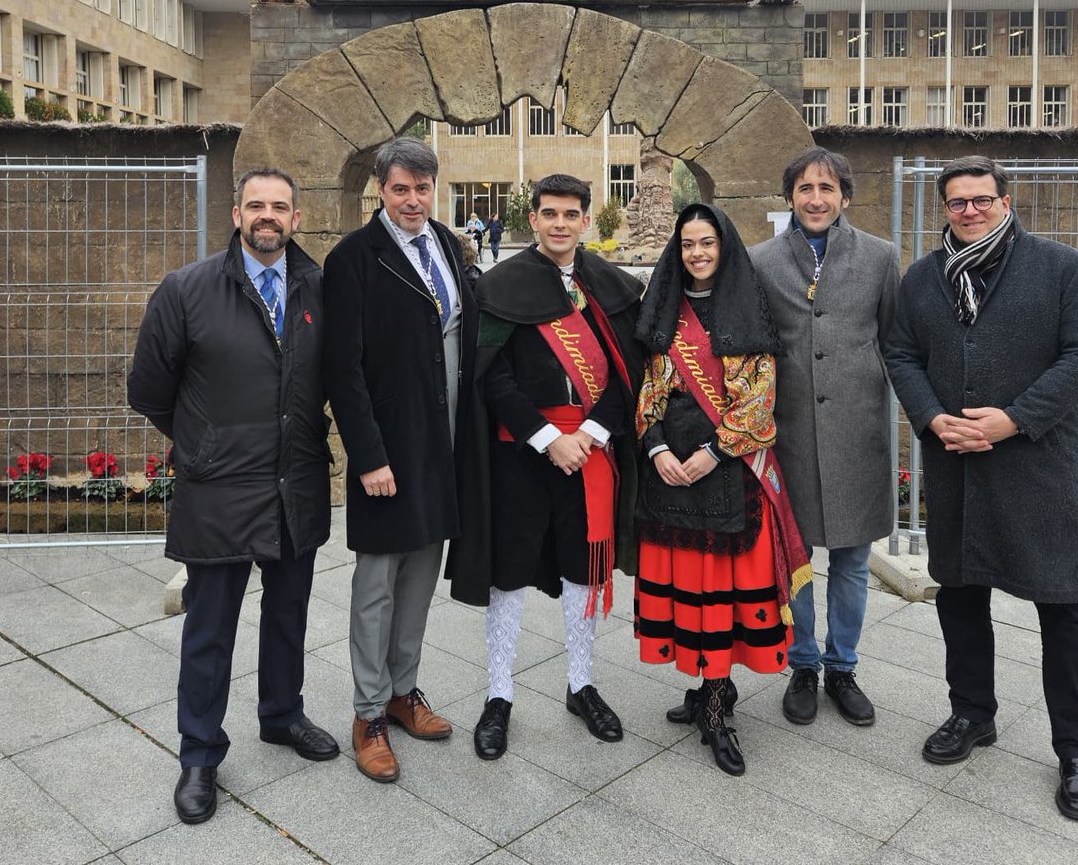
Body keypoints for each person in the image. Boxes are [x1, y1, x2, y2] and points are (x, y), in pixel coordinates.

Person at [885, 156, 1078, 822]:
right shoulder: (923, 279)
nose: (970, 211)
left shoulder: (1062, 268)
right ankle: (971, 714)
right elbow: (901, 353)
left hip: (1037, 469)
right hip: (957, 467)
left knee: (1064, 610)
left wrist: (1013, 419)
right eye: (957, 202)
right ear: (944, 209)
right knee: (959, 599)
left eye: (982, 199)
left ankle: (1077, 751)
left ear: (1006, 202)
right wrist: (931, 417)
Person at [128, 168, 337, 826]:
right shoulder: (187, 290)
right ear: (236, 214)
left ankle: (281, 714)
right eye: (256, 205)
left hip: (296, 481)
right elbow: (148, 389)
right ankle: (199, 754)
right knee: (210, 625)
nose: (267, 215)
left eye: (279, 206)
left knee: (288, 611)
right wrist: (202, 441)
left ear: (297, 218)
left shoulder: (319, 288)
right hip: (218, 486)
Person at [447, 174, 644, 761]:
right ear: (532, 219)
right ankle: (499, 694)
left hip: (590, 452)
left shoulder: (613, 286)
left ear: (586, 220)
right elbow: (491, 376)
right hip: (521, 453)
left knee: (583, 568)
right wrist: (546, 437)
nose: (560, 224)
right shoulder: (500, 285)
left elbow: (628, 374)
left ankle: (581, 684)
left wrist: (590, 433)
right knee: (509, 573)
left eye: (571, 214)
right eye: (549, 213)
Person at [634, 204, 811, 775]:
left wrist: (711, 453)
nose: (697, 254)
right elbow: (649, 390)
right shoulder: (665, 308)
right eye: (688, 244)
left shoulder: (747, 306)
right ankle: (706, 689)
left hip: (729, 474)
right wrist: (657, 449)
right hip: (670, 478)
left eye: (707, 243)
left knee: (720, 593)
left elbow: (759, 400)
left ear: (724, 247)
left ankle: (715, 708)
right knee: (690, 589)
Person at [322, 137, 477, 783]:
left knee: (420, 574)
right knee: (377, 582)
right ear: (380, 190)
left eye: (423, 188)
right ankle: (368, 713)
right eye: (400, 189)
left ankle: (402, 691)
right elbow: (342, 367)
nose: (413, 200)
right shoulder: (353, 259)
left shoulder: (445, 243)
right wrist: (367, 455)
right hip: (389, 447)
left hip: (443, 443)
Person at [749, 148, 899, 729]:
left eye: (827, 188)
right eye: (806, 189)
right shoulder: (761, 261)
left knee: (854, 560)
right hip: (788, 433)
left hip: (858, 431)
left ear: (845, 197)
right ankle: (803, 664)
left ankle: (843, 666)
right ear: (789, 196)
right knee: (794, 558)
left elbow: (896, 343)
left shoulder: (881, 257)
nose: (816, 199)